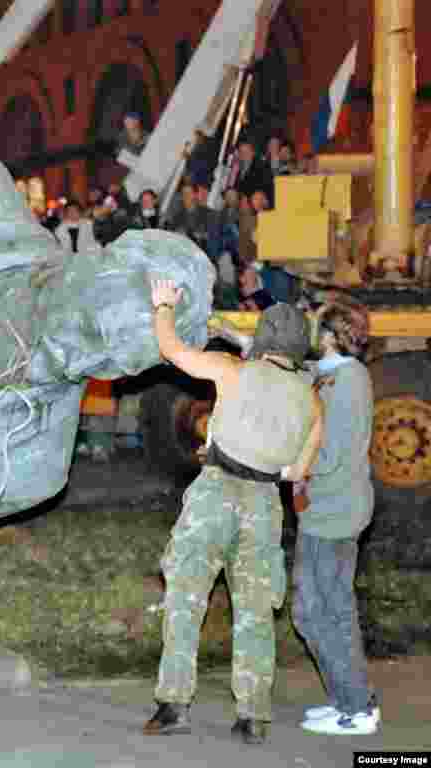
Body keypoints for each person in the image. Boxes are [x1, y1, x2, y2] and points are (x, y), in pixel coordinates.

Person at [144, 287, 323, 745]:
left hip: (214, 493)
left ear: (261, 338)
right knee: (255, 612)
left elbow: (171, 349)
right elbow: (299, 472)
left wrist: (163, 303)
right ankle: (252, 715)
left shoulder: (233, 371)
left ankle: (173, 705)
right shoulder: (312, 401)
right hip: (264, 503)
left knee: (186, 598)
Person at [293, 295, 381, 736]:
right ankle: (346, 699)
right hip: (324, 510)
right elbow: (294, 369)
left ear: (328, 336)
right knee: (314, 611)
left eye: (315, 326)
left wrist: (288, 466)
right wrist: (234, 337)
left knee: (324, 612)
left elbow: (329, 455)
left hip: (335, 513)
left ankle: (359, 708)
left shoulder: (347, 384)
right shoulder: (332, 374)